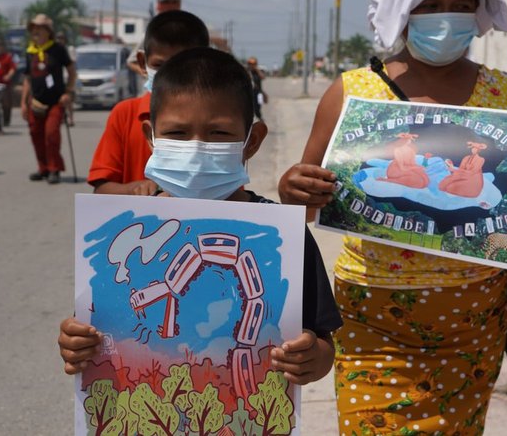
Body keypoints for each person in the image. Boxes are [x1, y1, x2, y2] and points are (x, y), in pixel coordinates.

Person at [278, 0, 507, 435]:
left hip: (473, 319)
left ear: (478, 11)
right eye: (429, 6)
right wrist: (294, 189)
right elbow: (305, 203)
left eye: (461, 5)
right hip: (371, 318)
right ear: (403, 8)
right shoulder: (350, 92)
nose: (446, 18)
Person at [58, 47, 342, 388]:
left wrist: (311, 358)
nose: (195, 149)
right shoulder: (127, 239)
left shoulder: (285, 238)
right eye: (177, 134)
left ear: (252, 141)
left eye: (218, 133)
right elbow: (91, 328)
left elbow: (323, 344)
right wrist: (75, 343)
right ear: (150, 137)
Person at [87, 9, 210, 195]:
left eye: (183, 67)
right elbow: (102, 189)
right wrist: (136, 190)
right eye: (160, 66)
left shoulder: (217, 120)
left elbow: (233, 194)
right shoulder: (125, 114)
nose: (170, 76)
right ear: (142, 62)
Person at [21, 13, 76, 185]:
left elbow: (72, 72)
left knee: (51, 134)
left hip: (56, 101)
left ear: (48, 31)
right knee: (35, 135)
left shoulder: (58, 49)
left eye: (39, 28)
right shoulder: (30, 52)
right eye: (33, 28)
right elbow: (27, 79)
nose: (35, 32)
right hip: (35, 102)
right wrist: (24, 103)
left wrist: (68, 92)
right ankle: (42, 168)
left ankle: (54, 169)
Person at [127, 0, 182, 87]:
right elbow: (131, 62)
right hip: (157, 91)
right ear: (158, 5)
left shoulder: (188, 30)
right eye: (166, 2)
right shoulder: (153, 31)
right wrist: (151, 76)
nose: (170, 6)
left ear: (179, 4)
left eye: (174, 2)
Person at [55, 31, 76, 126]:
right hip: (59, 78)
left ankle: (70, 118)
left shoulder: (69, 49)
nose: (60, 40)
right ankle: (62, 117)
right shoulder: (55, 50)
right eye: (58, 38)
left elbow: (72, 64)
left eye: (61, 38)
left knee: (69, 99)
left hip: (67, 76)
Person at [247, 56, 267, 120]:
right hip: (250, 93)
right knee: (250, 108)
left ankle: (260, 118)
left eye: (253, 64)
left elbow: (263, 77)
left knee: (258, 108)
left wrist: (257, 70)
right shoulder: (247, 72)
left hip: (259, 93)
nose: (251, 65)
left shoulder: (258, 71)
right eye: (250, 63)